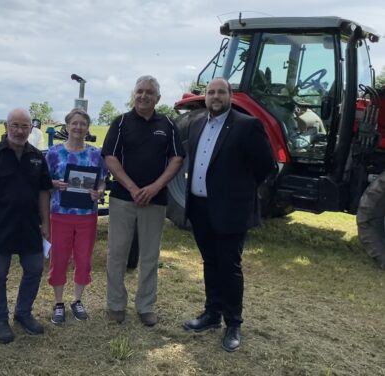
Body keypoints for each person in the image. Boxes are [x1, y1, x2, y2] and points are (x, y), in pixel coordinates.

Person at [182, 77, 275, 352]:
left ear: (230, 96)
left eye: (221, 92)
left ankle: (233, 322)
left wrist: (238, 193)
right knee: (210, 262)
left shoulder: (247, 126)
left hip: (230, 210)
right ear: (206, 97)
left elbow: (265, 167)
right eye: (211, 92)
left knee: (229, 266)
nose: (215, 96)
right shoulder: (198, 123)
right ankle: (211, 314)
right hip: (200, 206)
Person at [101, 75, 185, 326]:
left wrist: (154, 187)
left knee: (149, 255)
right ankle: (116, 304)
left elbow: (177, 158)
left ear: (157, 98)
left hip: (155, 200)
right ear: (133, 94)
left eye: (149, 92)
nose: (144, 95)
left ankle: (146, 305)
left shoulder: (168, 124)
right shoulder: (121, 122)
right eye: (140, 91)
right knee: (117, 253)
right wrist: (133, 187)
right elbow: (110, 157)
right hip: (123, 199)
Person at [0, 108, 52, 344]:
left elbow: (43, 193)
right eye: (15, 125)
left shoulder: (38, 157)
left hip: (29, 226)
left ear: (31, 129)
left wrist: (46, 223)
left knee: (35, 269)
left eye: (24, 126)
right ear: (6, 127)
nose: (19, 130)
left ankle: (23, 312)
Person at [45, 108, 108, 325]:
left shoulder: (95, 154)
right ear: (67, 125)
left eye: (82, 124)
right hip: (60, 213)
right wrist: (54, 184)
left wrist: (99, 191)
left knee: (83, 258)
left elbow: (102, 180)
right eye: (74, 123)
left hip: (86, 214)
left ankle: (78, 300)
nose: (78, 127)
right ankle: (59, 302)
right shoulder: (53, 153)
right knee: (59, 257)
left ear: (87, 127)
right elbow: (43, 182)